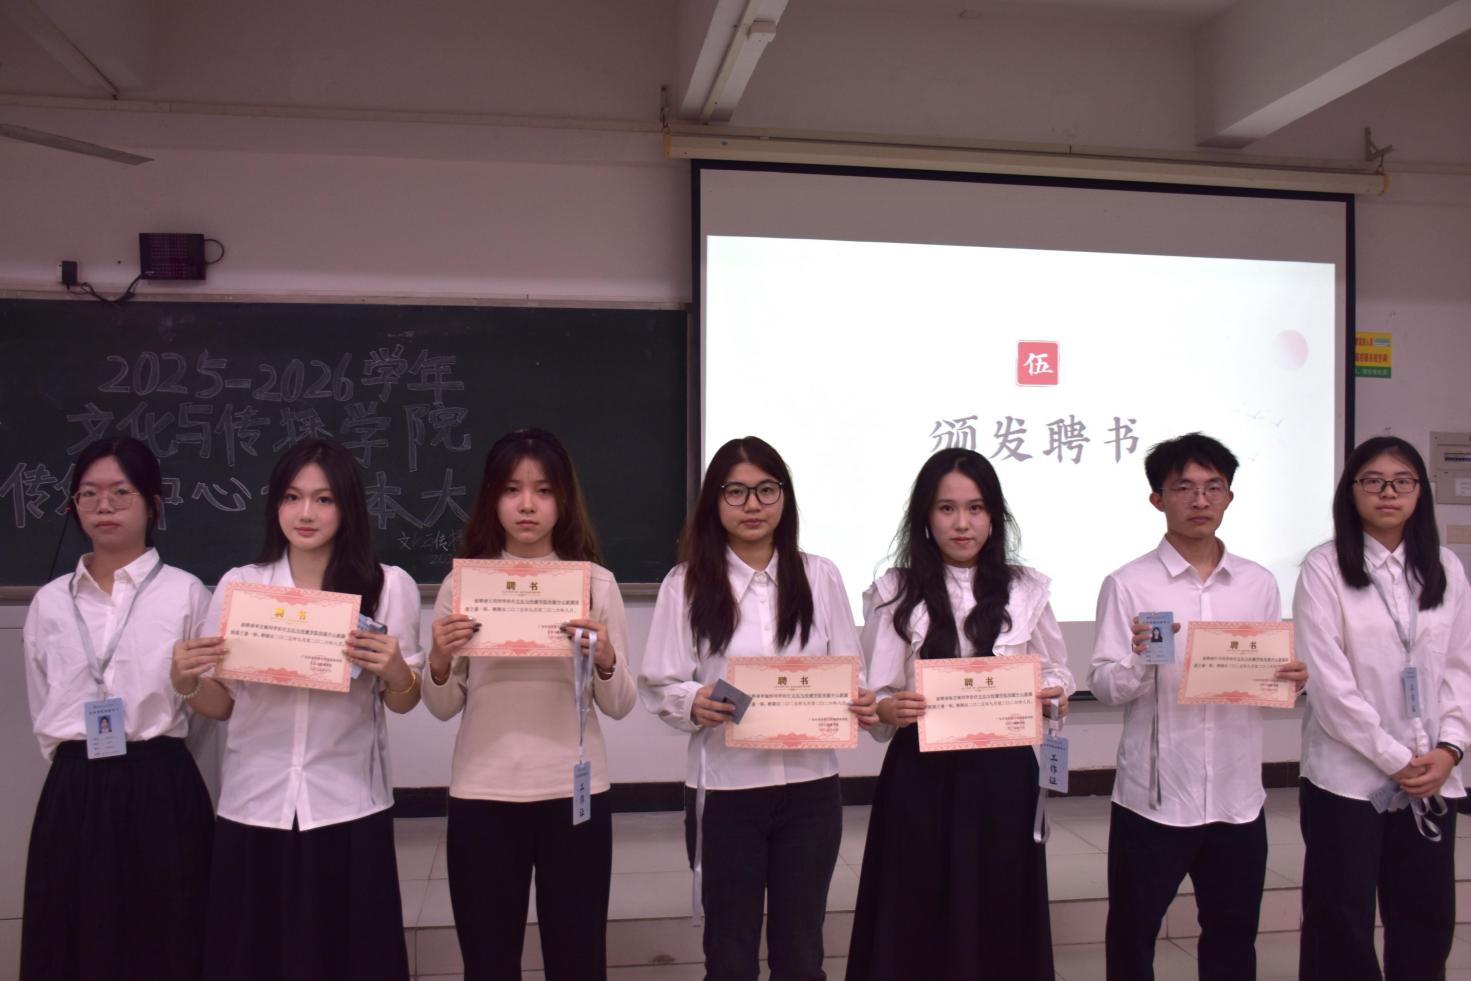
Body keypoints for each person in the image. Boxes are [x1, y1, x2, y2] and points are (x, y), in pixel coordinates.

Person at [175, 438, 423, 981]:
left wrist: (396, 671)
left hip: (347, 804)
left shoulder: (387, 586)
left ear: (348, 506)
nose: (305, 513)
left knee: (348, 959)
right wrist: (186, 683)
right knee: (254, 958)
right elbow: (222, 705)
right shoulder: (243, 586)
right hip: (255, 803)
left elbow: (404, 702)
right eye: (292, 497)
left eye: (324, 499)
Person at [639, 436, 876, 981]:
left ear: (784, 497)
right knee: (729, 950)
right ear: (715, 501)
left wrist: (859, 699)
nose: (753, 505)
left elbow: (851, 669)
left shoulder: (820, 576)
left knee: (801, 949)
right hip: (726, 790)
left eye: (767, 490)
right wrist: (692, 701)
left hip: (812, 789)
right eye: (737, 492)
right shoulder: (687, 583)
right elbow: (660, 683)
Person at [845, 447, 1073, 981]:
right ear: (925, 516)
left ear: (994, 515)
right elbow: (875, 691)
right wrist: (887, 707)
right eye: (947, 509)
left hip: (1004, 772)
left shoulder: (1026, 588)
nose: (962, 523)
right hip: (921, 773)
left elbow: (1058, 671)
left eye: (975, 508)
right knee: (917, 899)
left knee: (1000, 897)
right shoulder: (895, 590)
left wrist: (1054, 693)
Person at [1088, 433, 1306, 981]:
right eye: (1184, 488)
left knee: (1233, 935)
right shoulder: (1128, 583)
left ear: (1229, 496)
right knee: (1133, 935)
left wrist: (1289, 680)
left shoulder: (1257, 583)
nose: (1201, 500)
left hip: (1237, 796)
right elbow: (1105, 685)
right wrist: (1140, 661)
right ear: (1157, 499)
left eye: (1214, 487)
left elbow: (1263, 676)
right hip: (1154, 796)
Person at [421, 428, 635, 980]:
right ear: (492, 498)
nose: (527, 505)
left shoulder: (595, 584)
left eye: (543, 491)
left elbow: (620, 704)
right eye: (512, 489)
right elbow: (441, 707)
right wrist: (439, 660)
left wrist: (606, 657)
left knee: (578, 958)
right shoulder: (463, 585)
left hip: (575, 792)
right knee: (488, 960)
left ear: (563, 501)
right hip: (483, 789)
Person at [20, 437, 215, 981]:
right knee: (72, 940)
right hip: (74, 788)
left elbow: (204, 706)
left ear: (152, 504)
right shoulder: (50, 602)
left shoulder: (186, 593)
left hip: (161, 782)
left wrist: (156, 754)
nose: (103, 505)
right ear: (74, 506)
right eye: (89, 493)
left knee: (168, 939)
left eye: (120, 492)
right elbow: (42, 698)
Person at [1294, 435, 1471, 980]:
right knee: (1339, 920)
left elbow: (1460, 668)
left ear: (1420, 492)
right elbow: (1330, 684)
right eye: (1373, 481)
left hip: (1431, 774)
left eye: (1402, 481)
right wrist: (1397, 759)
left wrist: (1449, 749)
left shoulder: (1445, 567)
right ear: (1351, 491)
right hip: (1347, 779)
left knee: (1425, 918)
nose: (1388, 492)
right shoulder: (1323, 568)